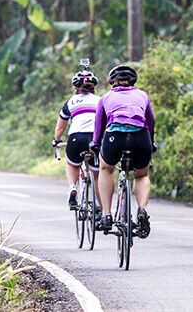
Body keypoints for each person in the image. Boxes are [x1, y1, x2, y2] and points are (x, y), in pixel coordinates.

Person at [90, 65, 155, 238]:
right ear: (134, 81)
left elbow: (99, 125)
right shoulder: (142, 95)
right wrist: (152, 142)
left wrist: (95, 143)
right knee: (141, 175)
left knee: (106, 169)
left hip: (114, 136)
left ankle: (106, 214)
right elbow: (150, 121)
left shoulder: (106, 97)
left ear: (112, 82)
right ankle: (141, 209)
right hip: (141, 136)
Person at [52, 69, 101, 210]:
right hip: (95, 138)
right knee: (97, 175)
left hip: (76, 137)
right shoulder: (100, 101)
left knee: (72, 164)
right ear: (93, 87)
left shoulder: (71, 102)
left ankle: (73, 187)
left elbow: (60, 127)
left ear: (76, 88)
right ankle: (99, 206)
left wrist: (56, 140)